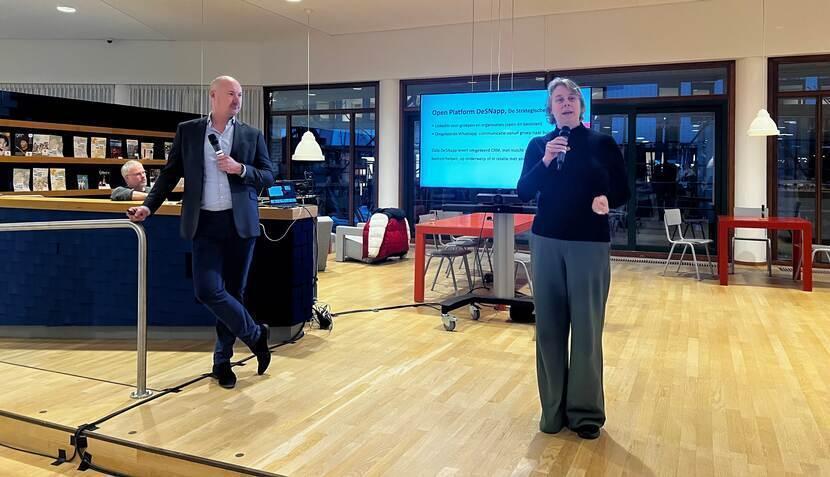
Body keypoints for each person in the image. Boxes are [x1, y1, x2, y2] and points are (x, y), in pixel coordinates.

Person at [127, 75, 275, 389]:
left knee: (233, 294)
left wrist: (240, 169)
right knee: (207, 291)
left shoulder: (251, 134)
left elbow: (268, 175)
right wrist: (149, 207)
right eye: (231, 94)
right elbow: (169, 175)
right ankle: (255, 334)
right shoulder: (189, 131)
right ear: (213, 96)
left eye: (240, 95)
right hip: (204, 223)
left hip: (240, 225)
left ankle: (222, 363)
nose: (237, 100)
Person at [517, 78, 630, 440]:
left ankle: (585, 415)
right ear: (550, 110)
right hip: (546, 241)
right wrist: (547, 159)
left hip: (588, 243)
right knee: (548, 329)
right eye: (558, 100)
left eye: (570, 98)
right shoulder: (539, 146)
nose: (565, 103)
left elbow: (624, 189)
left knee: (586, 329)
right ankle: (552, 411)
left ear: (581, 106)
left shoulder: (602, 144)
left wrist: (607, 199)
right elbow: (524, 191)